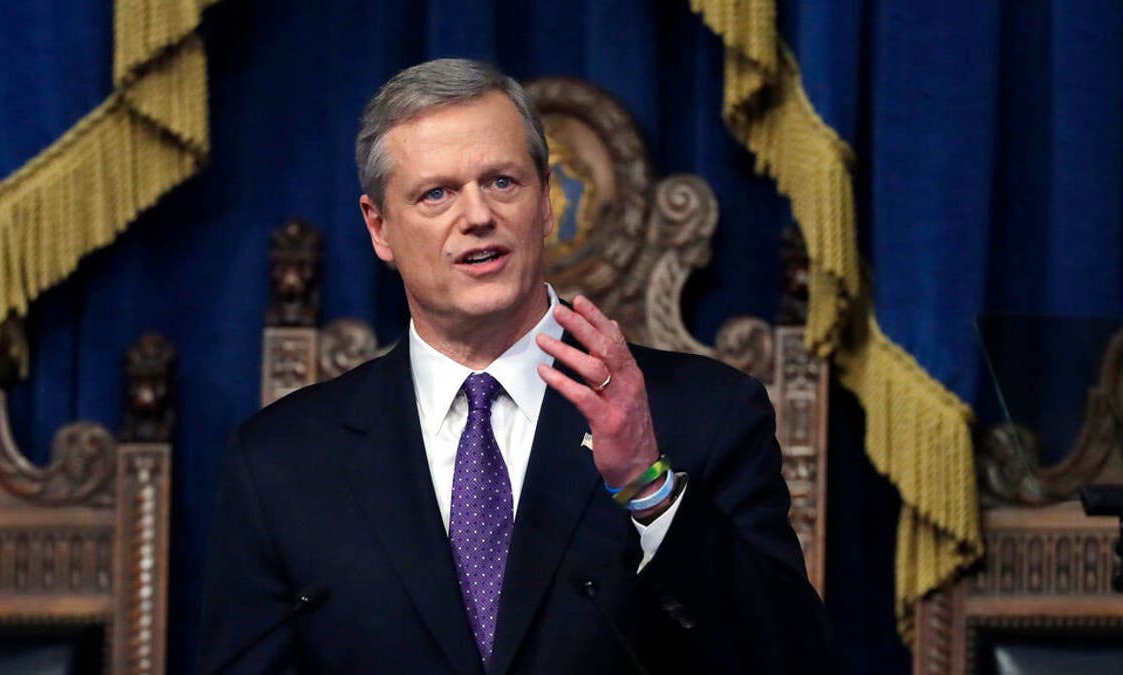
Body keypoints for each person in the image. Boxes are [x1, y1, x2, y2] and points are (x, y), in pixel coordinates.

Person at [199, 58, 829, 674]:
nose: (476, 216)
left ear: (547, 201)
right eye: (436, 193)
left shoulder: (707, 413)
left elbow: (788, 656)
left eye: (502, 182)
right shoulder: (280, 461)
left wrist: (647, 484)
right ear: (379, 227)